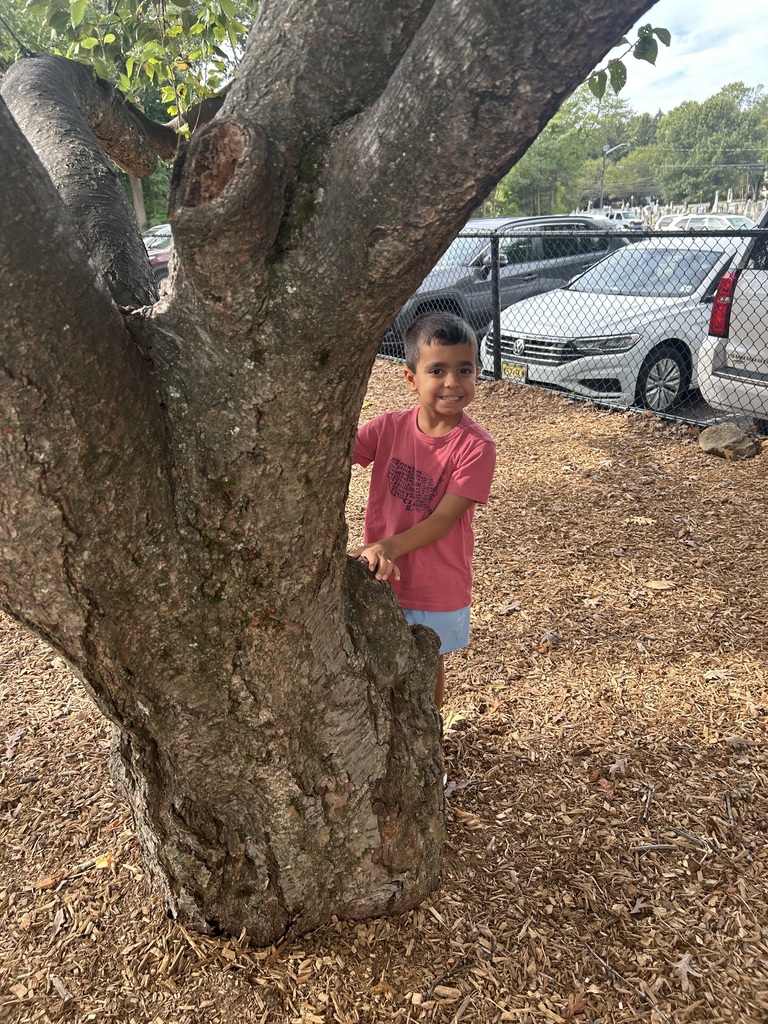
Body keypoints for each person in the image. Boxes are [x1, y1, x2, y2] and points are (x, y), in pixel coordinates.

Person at [351, 311, 496, 708]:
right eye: (437, 370)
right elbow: (336, 455)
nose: (453, 382)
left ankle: (430, 740)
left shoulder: (476, 447)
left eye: (465, 369)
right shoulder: (387, 427)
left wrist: (388, 546)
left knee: (426, 665)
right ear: (411, 378)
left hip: (436, 583)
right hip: (381, 574)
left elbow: (445, 519)